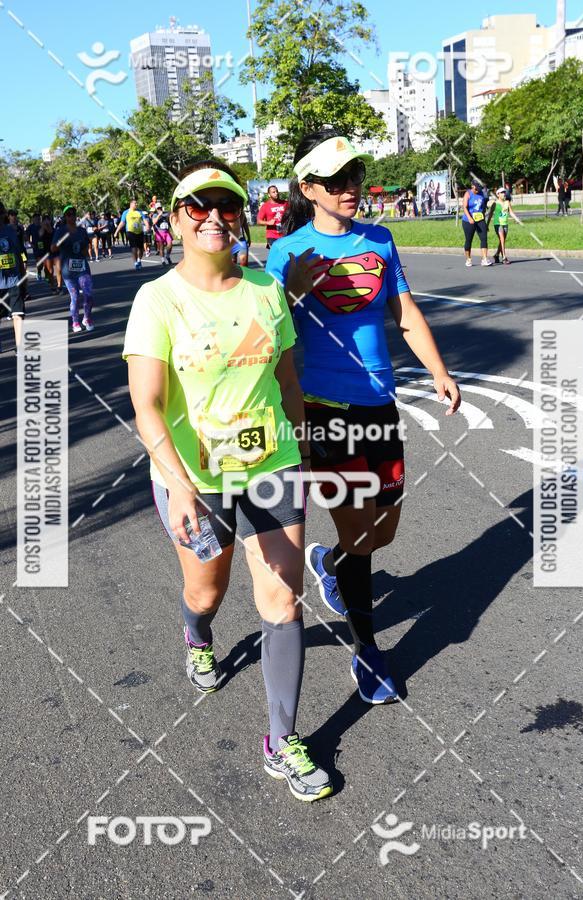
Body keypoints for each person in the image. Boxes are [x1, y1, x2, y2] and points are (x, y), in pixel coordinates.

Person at [123, 160, 332, 802]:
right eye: (197, 206)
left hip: (271, 466)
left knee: (281, 600)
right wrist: (178, 482)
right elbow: (148, 405)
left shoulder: (268, 290)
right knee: (206, 589)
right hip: (197, 477)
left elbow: (289, 380)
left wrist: (304, 450)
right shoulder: (157, 299)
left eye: (226, 205)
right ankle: (197, 633)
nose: (213, 216)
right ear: (176, 217)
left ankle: (281, 738)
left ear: (242, 214)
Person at [265, 129, 461, 704]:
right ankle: (367, 648)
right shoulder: (287, 252)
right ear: (309, 189)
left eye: (354, 176)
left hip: (381, 403)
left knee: (382, 531)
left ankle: (332, 562)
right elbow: (267, 336)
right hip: (325, 409)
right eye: (336, 181)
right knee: (360, 531)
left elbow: (404, 314)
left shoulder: (380, 240)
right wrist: (292, 292)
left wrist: (439, 371)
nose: (351, 188)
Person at [51, 205, 94, 333]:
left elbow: (86, 250)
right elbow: (53, 248)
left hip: (82, 268)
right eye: (68, 214)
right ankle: (75, 321)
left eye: (73, 214)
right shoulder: (60, 231)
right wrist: (62, 242)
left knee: (89, 295)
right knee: (74, 296)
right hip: (68, 270)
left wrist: (84, 249)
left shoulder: (81, 231)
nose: (71, 216)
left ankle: (87, 318)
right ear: (65, 217)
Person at [0, 200, 26, 351]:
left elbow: (19, 255)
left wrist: (23, 279)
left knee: (18, 314)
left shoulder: (11, 231)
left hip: (13, 281)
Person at [462, 180, 492, 267]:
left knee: (484, 238)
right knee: (468, 240)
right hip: (468, 220)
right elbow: (464, 207)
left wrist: (484, 221)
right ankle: (468, 259)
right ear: (473, 186)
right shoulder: (468, 194)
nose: (478, 189)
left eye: (480, 188)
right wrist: (469, 218)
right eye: (477, 187)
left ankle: (484, 259)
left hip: (480, 219)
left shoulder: (482, 194)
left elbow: (483, 208)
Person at [486, 187, 519, 265]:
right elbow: (490, 215)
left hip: (505, 224)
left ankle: (496, 255)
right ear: (498, 194)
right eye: (502, 192)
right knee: (502, 239)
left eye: (504, 192)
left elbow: (511, 212)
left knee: (502, 240)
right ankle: (504, 257)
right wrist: (487, 225)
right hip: (498, 224)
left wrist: (516, 219)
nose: (504, 194)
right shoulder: (495, 204)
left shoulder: (507, 202)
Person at [114, 199, 144, 269]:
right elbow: (122, 223)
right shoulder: (126, 212)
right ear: (131, 204)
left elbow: (144, 220)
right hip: (130, 232)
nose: (136, 204)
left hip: (140, 232)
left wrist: (147, 225)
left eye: (136, 203)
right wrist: (116, 232)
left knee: (141, 248)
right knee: (134, 247)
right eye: (135, 203)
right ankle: (136, 263)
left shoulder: (139, 212)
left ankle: (139, 260)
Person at [257, 185, 288, 250]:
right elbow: (259, 221)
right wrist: (268, 222)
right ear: (269, 195)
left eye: (277, 191)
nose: (276, 193)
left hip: (284, 234)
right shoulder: (265, 206)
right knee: (276, 254)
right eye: (273, 192)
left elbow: (292, 214)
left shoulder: (285, 203)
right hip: (272, 235)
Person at [25, 212, 45, 281]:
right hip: (36, 246)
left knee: (44, 261)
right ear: (33, 219)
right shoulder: (31, 227)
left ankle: (46, 273)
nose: (37, 220)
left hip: (44, 245)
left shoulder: (42, 225)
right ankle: (39, 272)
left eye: (39, 218)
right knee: (39, 261)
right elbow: (26, 235)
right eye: (36, 218)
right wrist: (30, 243)